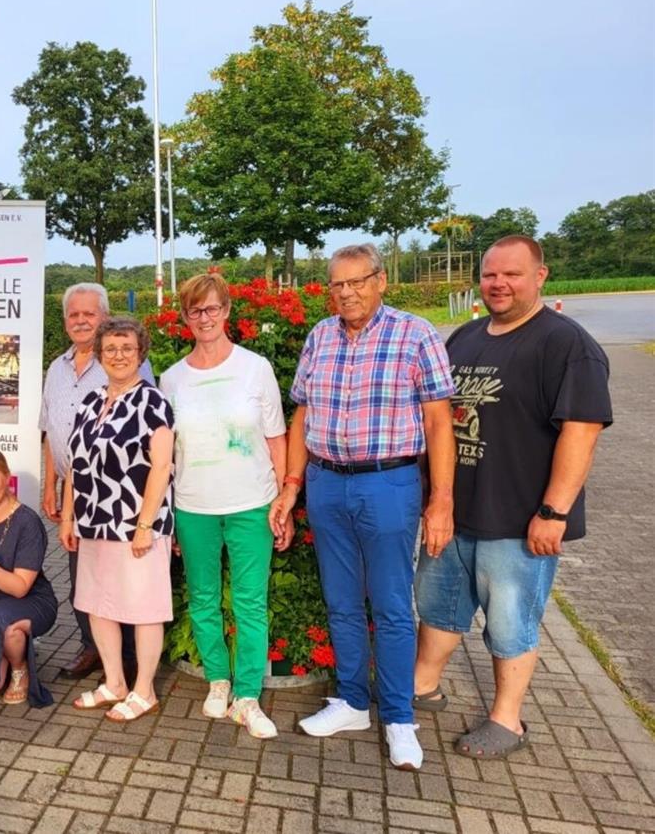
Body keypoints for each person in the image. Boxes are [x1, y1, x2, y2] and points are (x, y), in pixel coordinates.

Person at [412, 235, 612, 759]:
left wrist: (554, 512)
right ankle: (422, 687)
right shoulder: (466, 337)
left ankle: (508, 719)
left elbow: (582, 430)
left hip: (520, 520)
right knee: (438, 606)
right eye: (490, 275)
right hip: (454, 512)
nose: (498, 284)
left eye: (512, 275)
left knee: (509, 621)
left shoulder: (566, 345)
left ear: (540, 276)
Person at [271, 244, 455, 771]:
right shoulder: (320, 336)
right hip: (327, 484)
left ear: (380, 281)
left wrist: (441, 499)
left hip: (389, 484)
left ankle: (399, 717)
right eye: (337, 284)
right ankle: (353, 701)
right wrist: (292, 485)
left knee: (393, 607)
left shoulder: (415, 334)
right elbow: (301, 415)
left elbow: (440, 422)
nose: (346, 292)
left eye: (357, 281)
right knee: (343, 601)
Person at [159, 273, 290, 740]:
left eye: (213, 308)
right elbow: (165, 456)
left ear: (228, 310)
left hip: (252, 502)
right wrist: (168, 517)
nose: (205, 318)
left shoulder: (256, 369)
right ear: (185, 318)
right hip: (194, 505)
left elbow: (277, 438)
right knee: (204, 599)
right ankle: (218, 679)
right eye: (196, 311)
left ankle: (248, 695)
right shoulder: (171, 379)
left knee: (252, 603)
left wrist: (284, 501)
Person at [60, 317, 174, 722]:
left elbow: (161, 467)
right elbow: (75, 463)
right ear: (101, 355)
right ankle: (114, 682)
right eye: (111, 349)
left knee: (143, 609)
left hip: (136, 526)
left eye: (127, 348)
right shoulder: (90, 401)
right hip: (93, 522)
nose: (119, 355)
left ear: (140, 353)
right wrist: (68, 516)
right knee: (98, 605)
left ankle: (144, 690)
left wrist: (144, 525)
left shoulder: (153, 402)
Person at [40, 283, 154, 680]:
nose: (81, 320)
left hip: (123, 497)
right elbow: (51, 431)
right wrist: (49, 485)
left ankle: (128, 660)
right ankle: (93, 648)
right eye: (74, 314)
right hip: (78, 494)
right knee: (83, 583)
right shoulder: (55, 368)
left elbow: (150, 436)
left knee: (123, 583)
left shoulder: (126, 365)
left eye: (89, 314)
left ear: (104, 318)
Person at [0, 447, 58, 707]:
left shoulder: (27, 522)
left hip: (30, 601)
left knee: (0, 621)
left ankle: (20, 667)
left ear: (7, 477)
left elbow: (20, 588)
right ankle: (0, 653)